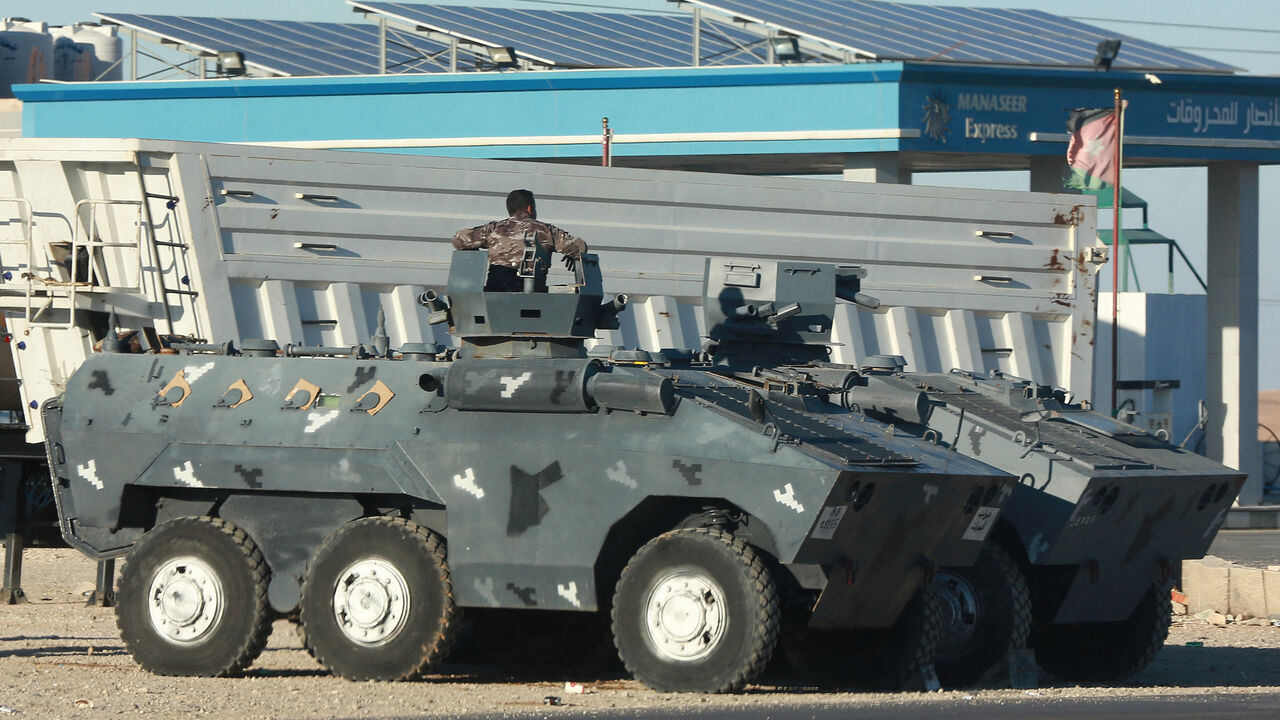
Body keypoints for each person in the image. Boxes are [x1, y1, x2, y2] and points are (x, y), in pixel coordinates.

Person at [451, 189, 588, 292]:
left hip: (496, 295)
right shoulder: (547, 231)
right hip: (534, 298)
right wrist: (573, 255)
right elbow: (581, 247)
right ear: (529, 208)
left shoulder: (493, 230)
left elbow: (458, 239)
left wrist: (473, 249)